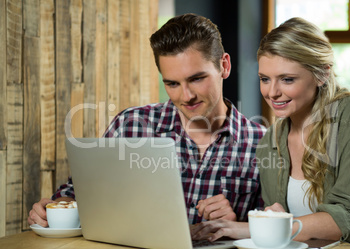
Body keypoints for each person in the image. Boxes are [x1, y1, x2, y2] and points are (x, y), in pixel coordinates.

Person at [27, 14, 266, 227]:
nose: (186, 96)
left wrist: (238, 224)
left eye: (196, 79)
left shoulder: (261, 143)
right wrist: (53, 209)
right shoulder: (132, 125)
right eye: (172, 83)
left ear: (224, 66)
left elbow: (272, 224)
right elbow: (81, 193)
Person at [191, 17, 350, 249]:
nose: (272, 92)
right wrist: (240, 224)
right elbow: (279, 221)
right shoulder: (269, 140)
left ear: (321, 74)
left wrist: (269, 226)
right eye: (265, 79)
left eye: (287, 79)